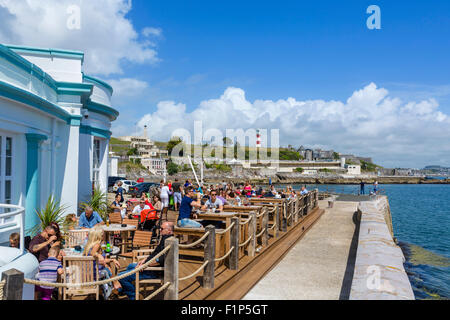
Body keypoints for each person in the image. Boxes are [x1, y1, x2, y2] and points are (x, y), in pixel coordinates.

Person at [114, 222, 174, 300]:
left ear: (169, 230)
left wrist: (145, 265)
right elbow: (155, 253)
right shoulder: (165, 238)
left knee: (121, 276)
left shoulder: (169, 242)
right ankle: (124, 289)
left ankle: (135, 297)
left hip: (154, 271)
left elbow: (160, 261)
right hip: (149, 266)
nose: (159, 230)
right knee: (130, 266)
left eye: (162, 229)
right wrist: (144, 260)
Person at [83, 227, 121, 300]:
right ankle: (113, 287)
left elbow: (101, 260)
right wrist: (99, 255)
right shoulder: (97, 245)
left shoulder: (88, 245)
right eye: (102, 234)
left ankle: (114, 286)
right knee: (106, 268)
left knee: (106, 266)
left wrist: (112, 260)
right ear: (98, 235)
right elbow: (93, 253)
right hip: (94, 275)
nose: (104, 235)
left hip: (87, 274)